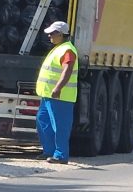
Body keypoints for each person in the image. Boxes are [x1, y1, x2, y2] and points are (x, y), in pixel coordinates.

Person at [35, 21, 78, 165]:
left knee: (60, 126)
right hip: (47, 96)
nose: (49, 36)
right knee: (43, 122)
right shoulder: (59, 48)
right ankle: (49, 151)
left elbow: (68, 69)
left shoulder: (67, 50)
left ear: (61, 34)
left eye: (52, 33)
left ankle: (60, 155)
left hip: (61, 97)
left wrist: (58, 88)